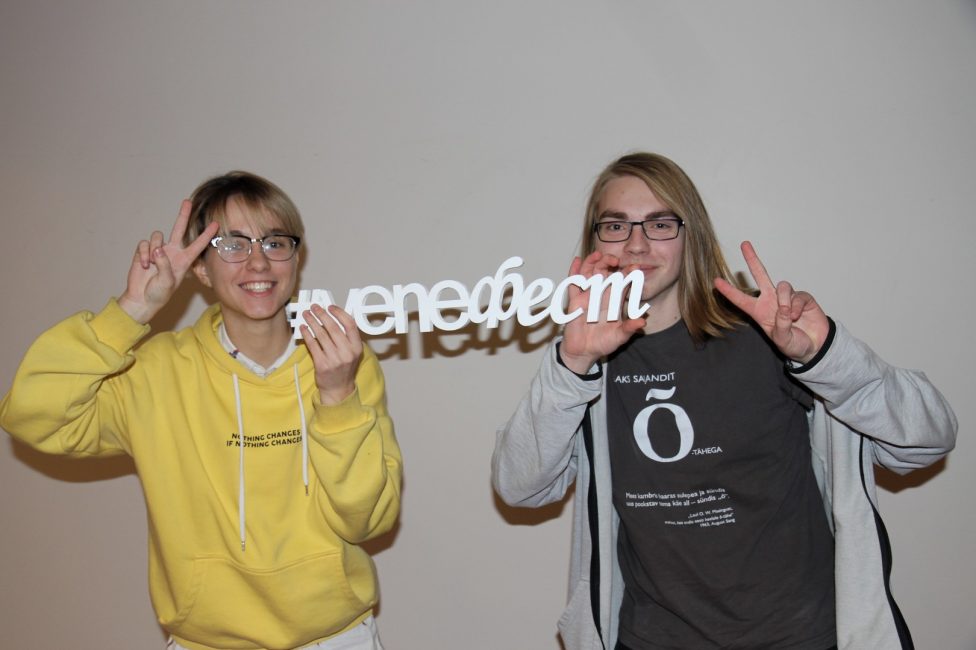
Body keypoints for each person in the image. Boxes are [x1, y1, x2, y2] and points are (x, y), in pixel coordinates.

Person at [491, 152, 956, 650]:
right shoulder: (586, 360)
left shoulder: (766, 334)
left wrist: (827, 358)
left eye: (660, 224)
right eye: (616, 225)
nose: (636, 244)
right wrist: (570, 364)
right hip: (651, 639)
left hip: (797, 636)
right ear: (595, 241)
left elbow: (927, 441)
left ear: (691, 234)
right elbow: (520, 488)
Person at [1, 171, 402, 650]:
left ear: (296, 258)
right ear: (202, 269)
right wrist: (130, 311)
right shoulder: (156, 371)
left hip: (336, 637)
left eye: (275, 242)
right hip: (204, 641)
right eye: (233, 245)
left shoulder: (342, 361)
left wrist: (336, 396)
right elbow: (31, 414)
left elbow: (368, 520)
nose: (258, 261)